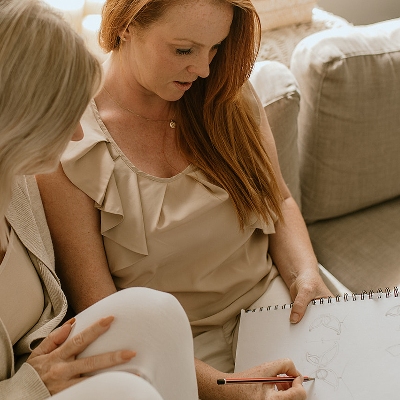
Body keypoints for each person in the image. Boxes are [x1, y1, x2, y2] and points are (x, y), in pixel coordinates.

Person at [36, 0, 344, 398]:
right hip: (175, 353)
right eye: (184, 50)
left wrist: (306, 276)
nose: (204, 69)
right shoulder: (71, 143)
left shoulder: (224, 93)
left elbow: (279, 200)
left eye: (215, 47)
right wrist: (231, 388)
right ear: (127, 26)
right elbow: (105, 314)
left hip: (277, 306)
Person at [0, 1, 198, 399]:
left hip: (32, 364)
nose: (77, 134)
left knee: (154, 313)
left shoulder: (16, 182)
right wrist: (26, 387)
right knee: (126, 393)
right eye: (63, 117)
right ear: (19, 117)